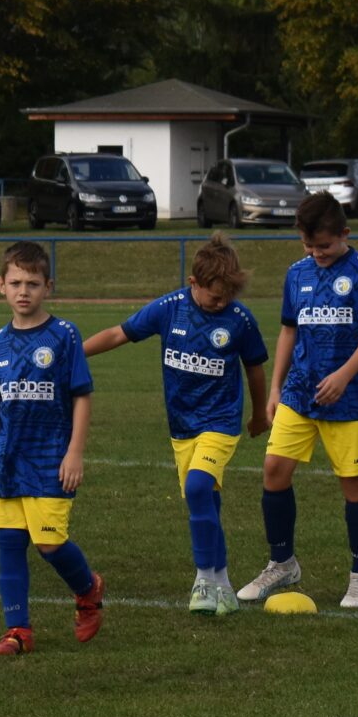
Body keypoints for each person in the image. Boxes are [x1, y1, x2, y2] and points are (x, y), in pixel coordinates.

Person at [82, 234, 269, 616]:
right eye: (214, 296)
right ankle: (224, 586)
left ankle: (203, 579)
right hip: (182, 425)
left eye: (227, 297)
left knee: (199, 487)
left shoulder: (239, 320)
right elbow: (120, 333)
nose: (221, 304)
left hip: (220, 421)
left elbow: (254, 368)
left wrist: (259, 414)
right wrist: (73, 353)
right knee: (207, 501)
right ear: (193, 283)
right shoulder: (169, 309)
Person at [240, 192, 358, 610]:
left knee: (354, 485)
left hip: (350, 398)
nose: (316, 253)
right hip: (299, 393)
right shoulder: (297, 273)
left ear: (345, 234)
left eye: (324, 246)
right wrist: (274, 389)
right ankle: (282, 563)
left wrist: (343, 376)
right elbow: (289, 330)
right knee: (273, 470)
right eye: (309, 246)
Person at [0, 242, 103, 656]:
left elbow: (82, 395)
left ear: (47, 287)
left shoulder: (64, 335)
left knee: (49, 544)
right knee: (10, 544)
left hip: (51, 459)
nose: (23, 291)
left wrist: (75, 452)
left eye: (32, 283)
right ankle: (18, 631)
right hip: (9, 462)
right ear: (1, 286)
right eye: (15, 282)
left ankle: (88, 591)